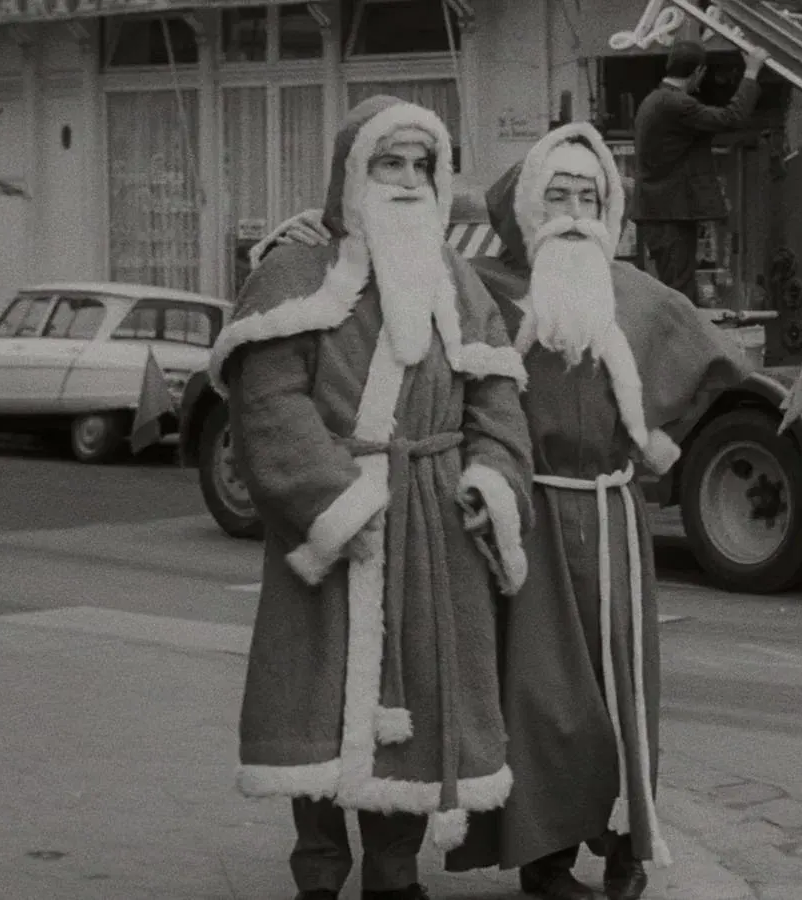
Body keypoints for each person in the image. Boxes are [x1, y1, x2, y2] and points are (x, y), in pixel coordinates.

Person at [210, 94, 535, 900]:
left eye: (421, 166)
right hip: (331, 527)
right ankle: (319, 875)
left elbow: (499, 407)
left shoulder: (458, 284)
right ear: (352, 172)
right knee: (312, 703)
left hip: (432, 530)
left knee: (418, 706)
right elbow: (269, 404)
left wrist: (488, 482)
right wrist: (333, 503)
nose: (407, 180)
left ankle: (394, 876)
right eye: (389, 162)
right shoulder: (296, 276)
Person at [449, 123, 752, 900]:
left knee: (626, 691)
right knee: (544, 698)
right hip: (536, 517)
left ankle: (625, 844)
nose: (576, 212)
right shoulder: (484, 287)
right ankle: (544, 858)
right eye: (558, 195)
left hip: (615, 518)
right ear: (526, 205)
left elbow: (722, 368)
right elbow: (397, 272)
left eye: (590, 196)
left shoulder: (643, 297)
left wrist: (660, 441)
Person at [630, 39, 768, 305]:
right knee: (680, 294)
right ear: (698, 73)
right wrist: (751, 71)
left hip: (662, 213)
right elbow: (732, 118)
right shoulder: (677, 104)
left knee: (676, 288)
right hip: (670, 215)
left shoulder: (656, 100)